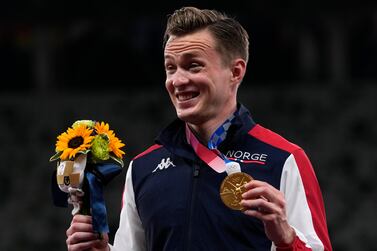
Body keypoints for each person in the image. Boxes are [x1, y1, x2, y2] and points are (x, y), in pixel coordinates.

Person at [66, 6, 332, 251]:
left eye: (193, 65)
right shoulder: (142, 168)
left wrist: (286, 238)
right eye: (171, 68)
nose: (178, 80)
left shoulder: (284, 159)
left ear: (235, 72)